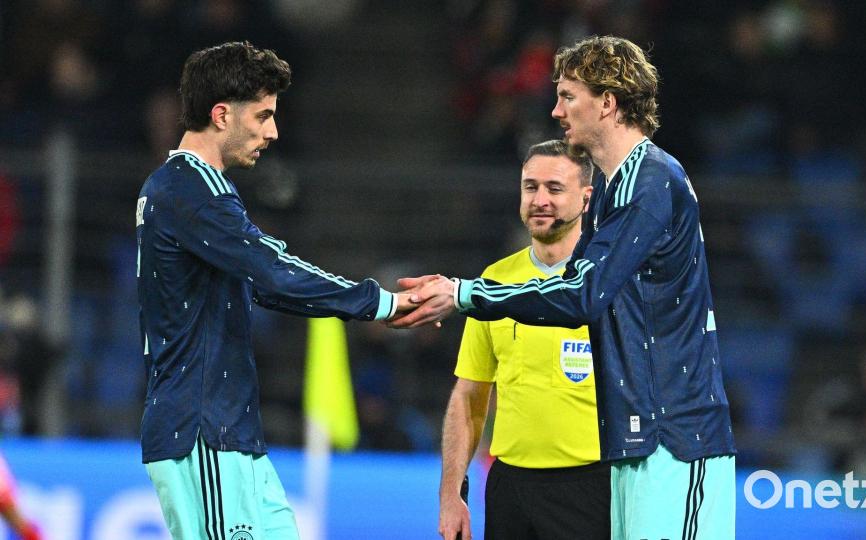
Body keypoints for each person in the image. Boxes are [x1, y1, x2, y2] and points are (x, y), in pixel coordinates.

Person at [393, 35, 736, 539]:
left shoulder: (652, 180)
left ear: (608, 102)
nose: (556, 110)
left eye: (568, 96)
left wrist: (465, 295)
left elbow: (581, 292)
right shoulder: (615, 189)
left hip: (678, 439)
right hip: (636, 438)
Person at [136, 41, 413, 540]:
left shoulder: (187, 187)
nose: (273, 131)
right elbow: (272, 270)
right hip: (202, 431)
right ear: (221, 115)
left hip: (226, 429)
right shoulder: (190, 190)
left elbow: (265, 283)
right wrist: (379, 302)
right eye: (262, 116)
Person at [438, 140, 609, 540]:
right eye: (530, 187)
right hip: (510, 486)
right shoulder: (494, 281)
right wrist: (451, 493)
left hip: (593, 484)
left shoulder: (606, 281)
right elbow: (469, 396)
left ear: (586, 197)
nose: (540, 199)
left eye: (554, 188)